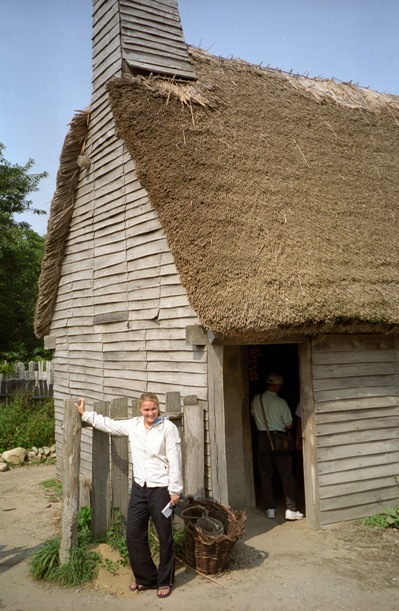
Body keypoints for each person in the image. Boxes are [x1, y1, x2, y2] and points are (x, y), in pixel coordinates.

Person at [74, 392, 182, 599]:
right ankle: (145, 578)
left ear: (158, 408)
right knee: (133, 533)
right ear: (140, 409)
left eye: (153, 408)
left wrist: (175, 490)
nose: (150, 413)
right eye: (146, 409)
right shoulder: (133, 425)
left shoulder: (167, 428)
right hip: (139, 488)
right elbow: (110, 425)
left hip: (161, 489)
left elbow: (175, 459)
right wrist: (86, 414)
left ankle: (165, 580)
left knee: (164, 535)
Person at [251, 374, 304, 521]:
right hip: (280, 439)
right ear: (277, 386)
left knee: (266, 475)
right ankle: (290, 509)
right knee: (287, 475)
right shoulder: (281, 402)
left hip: (262, 438)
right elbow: (289, 425)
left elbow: (254, 416)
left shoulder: (256, 399)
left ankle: (270, 509)